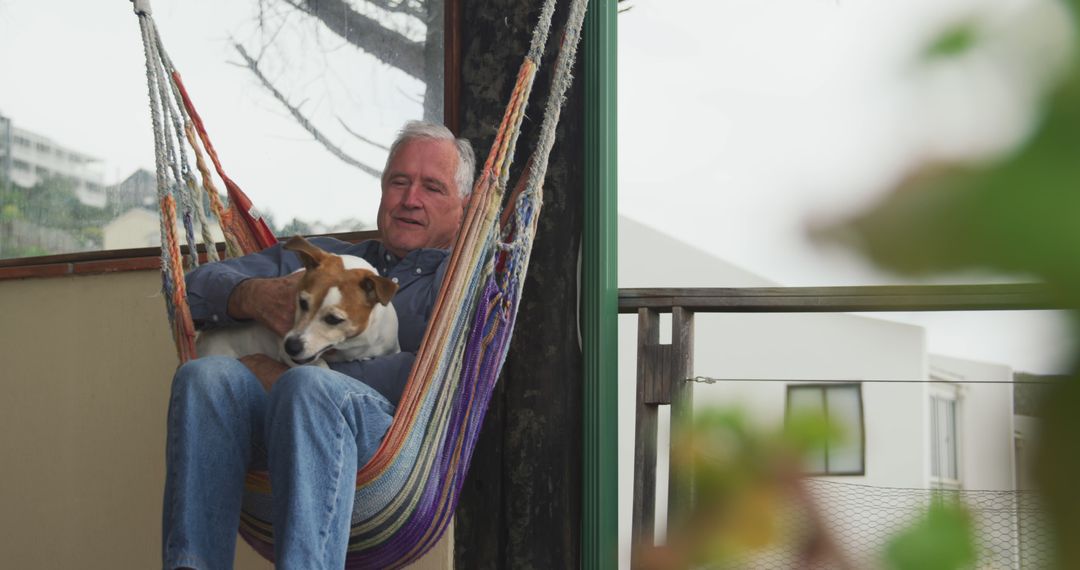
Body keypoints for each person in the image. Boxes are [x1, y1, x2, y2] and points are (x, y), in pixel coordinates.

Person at [162, 120, 476, 570]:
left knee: (306, 387)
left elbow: (439, 372)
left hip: (389, 450)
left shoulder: (459, 281)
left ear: (463, 209)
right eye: (399, 182)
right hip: (272, 425)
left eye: (432, 187)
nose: (410, 199)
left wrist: (287, 375)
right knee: (202, 376)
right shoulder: (326, 261)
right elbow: (189, 292)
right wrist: (251, 296)